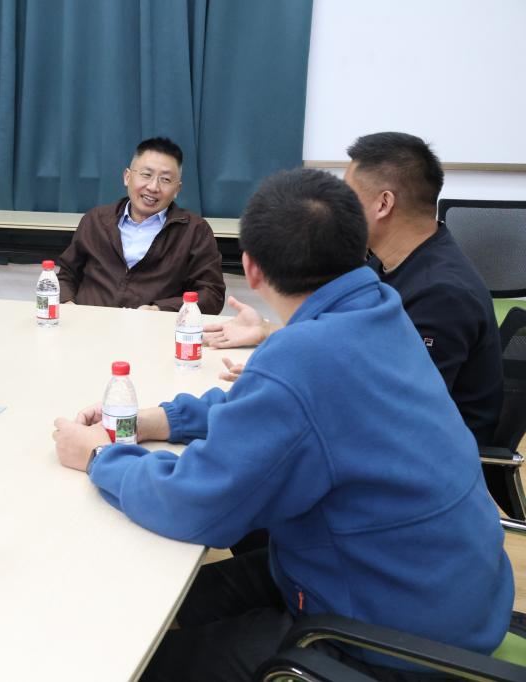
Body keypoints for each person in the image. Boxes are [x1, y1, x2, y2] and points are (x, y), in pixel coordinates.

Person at [51, 168, 512, 680]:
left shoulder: (304, 356)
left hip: (390, 640)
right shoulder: (379, 308)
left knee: (138, 663)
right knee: (161, 606)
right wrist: (160, 420)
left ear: (249, 268)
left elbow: (197, 503)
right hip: (444, 591)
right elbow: (274, 404)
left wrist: (99, 455)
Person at [205, 132, 502, 445]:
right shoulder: (382, 263)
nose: (337, 209)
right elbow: (349, 344)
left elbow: (398, 410)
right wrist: (270, 333)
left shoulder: (442, 294)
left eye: (348, 197)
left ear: (383, 203)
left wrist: (292, 382)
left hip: (419, 454)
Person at [57, 137, 225, 313]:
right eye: (146, 175)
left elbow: (211, 294)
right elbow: (67, 275)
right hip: (90, 324)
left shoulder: (194, 231)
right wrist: (69, 306)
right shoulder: (96, 220)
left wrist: (160, 310)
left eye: (165, 179)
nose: (153, 187)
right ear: (127, 177)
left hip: (156, 327)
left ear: (177, 190)